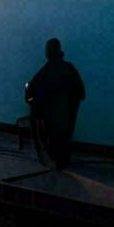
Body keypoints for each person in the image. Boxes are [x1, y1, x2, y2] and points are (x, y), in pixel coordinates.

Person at [25, 37, 85, 170]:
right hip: (66, 118)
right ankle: (59, 156)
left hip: (54, 118)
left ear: (49, 52)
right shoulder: (68, 68)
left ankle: (52, 155)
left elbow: (31, 89)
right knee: (61, 138)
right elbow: (81, 93)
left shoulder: (47, 70)